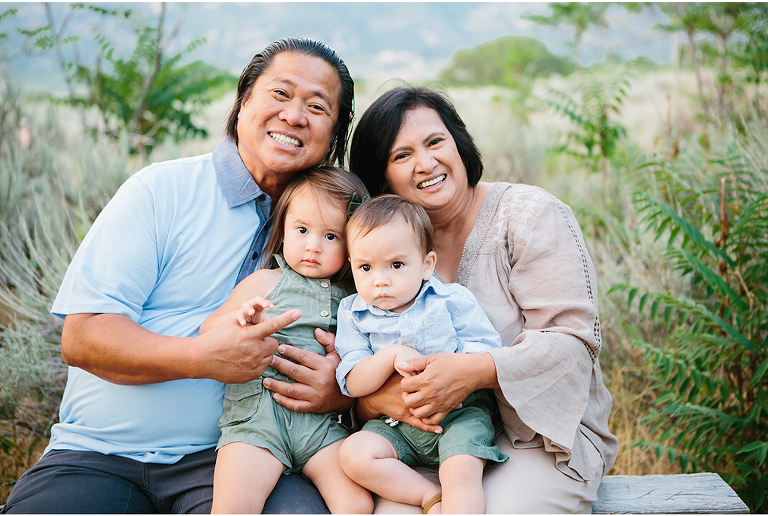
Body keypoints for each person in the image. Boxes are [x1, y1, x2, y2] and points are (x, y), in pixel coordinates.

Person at [2, 38, 356, 514]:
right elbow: (82, 337)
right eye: (280, 93)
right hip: (98, 454)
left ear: (333, 136)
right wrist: (201, 357)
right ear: (243, 100)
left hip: (251, 455)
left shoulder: (340, 230)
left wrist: (340, 389)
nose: (294, 116)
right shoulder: (160, 190)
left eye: (317, 106)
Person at [348, 86, 620, 514]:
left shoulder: (529, 215)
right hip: (417, 439)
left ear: (459, 144)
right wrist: (380, 400)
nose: (426, 163)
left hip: (537, 438)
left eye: (435, 142)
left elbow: (573, 344)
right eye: (402, 155)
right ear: (382, 179)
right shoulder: (378, 248)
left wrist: (473, 372)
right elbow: (357, 358)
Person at [199, 166, 372, 514]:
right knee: (234, 506)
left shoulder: (355, 300)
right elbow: (208, 331)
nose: (313, 246)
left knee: (358, 504)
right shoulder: (266, 281)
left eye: (331, 236)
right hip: (257, 422)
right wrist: (243, 321)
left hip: (320, 427)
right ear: (283, 231)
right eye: (302, 230)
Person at [335, 194, 508, 514]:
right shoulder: (353, 313)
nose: (380, 280)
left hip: (458, 415)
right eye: (366, 267)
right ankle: (427, 495)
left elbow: (486, 350)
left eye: (396, 265)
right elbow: (353, 382)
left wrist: (451, 371)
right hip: (394, 424)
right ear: (352, 265)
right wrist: (390, 355)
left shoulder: (451, 300)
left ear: (427, 265)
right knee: (354, 454)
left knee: (460, 469)